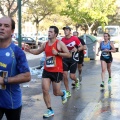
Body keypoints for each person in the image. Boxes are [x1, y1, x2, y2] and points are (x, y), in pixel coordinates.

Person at [25, 26, 71, 118]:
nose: (48, 33)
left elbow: (69, 54)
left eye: (51, 32)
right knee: (45, 90)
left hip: (57, 71)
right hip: (47, 70)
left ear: (55, 34)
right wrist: (29, 50)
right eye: (48, 31)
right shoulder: (45, 44)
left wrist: (57, 53)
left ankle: (63, 93)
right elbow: (38, 51)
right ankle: (50, 109)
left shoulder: (59, 43)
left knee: (56, 92)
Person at [0, 16, 31, 120]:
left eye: (6, 26)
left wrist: (4, 80)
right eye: (0, 25)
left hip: (12, 102)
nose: (2, 28)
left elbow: (27, 76)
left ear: (12, 31)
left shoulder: (17, 52)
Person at [61, 26, 83, 98]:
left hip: (73, 59)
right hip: (65, 59)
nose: (65, 31)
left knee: (72, 76)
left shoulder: (75, 39)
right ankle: (67, 91)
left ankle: (76, 81)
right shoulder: (62, 40)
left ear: (70, 31)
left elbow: (82, 47)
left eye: (67, 30)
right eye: (64, 30)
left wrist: (77, 49)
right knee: (65, 75)